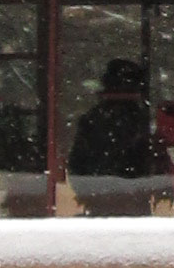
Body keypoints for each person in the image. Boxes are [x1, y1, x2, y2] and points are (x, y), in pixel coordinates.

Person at [67, 54, 163, 183]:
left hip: (98, 188)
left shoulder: (93, 117)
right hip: (128, 189)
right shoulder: (135, 118)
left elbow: (77, 166)